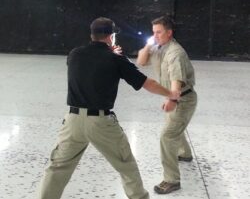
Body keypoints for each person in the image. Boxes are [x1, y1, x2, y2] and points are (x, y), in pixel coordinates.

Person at [37, 17, 180, 199]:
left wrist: (111, 55)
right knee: (126, 165)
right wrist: (170, 93)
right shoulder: (115, 59)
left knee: (56, 168)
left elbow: (91, 66)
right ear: (111, 36)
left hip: (72, 122)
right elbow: (147, 83)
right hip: (101, 123)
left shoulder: (74, 54)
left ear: (92, 35)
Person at [137, 15, 197, 194]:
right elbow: (140, 61)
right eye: (153, 32)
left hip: (183, 99)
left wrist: (172, 99)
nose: (155, 35)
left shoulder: (175, 53)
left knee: (167, 135)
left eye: (159, 32)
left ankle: (172, 180)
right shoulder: (158, 47)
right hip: (176, 96)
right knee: (174, 126)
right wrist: (148, 45)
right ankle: (184, 154)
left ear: (169, 33)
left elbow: (176, 80)